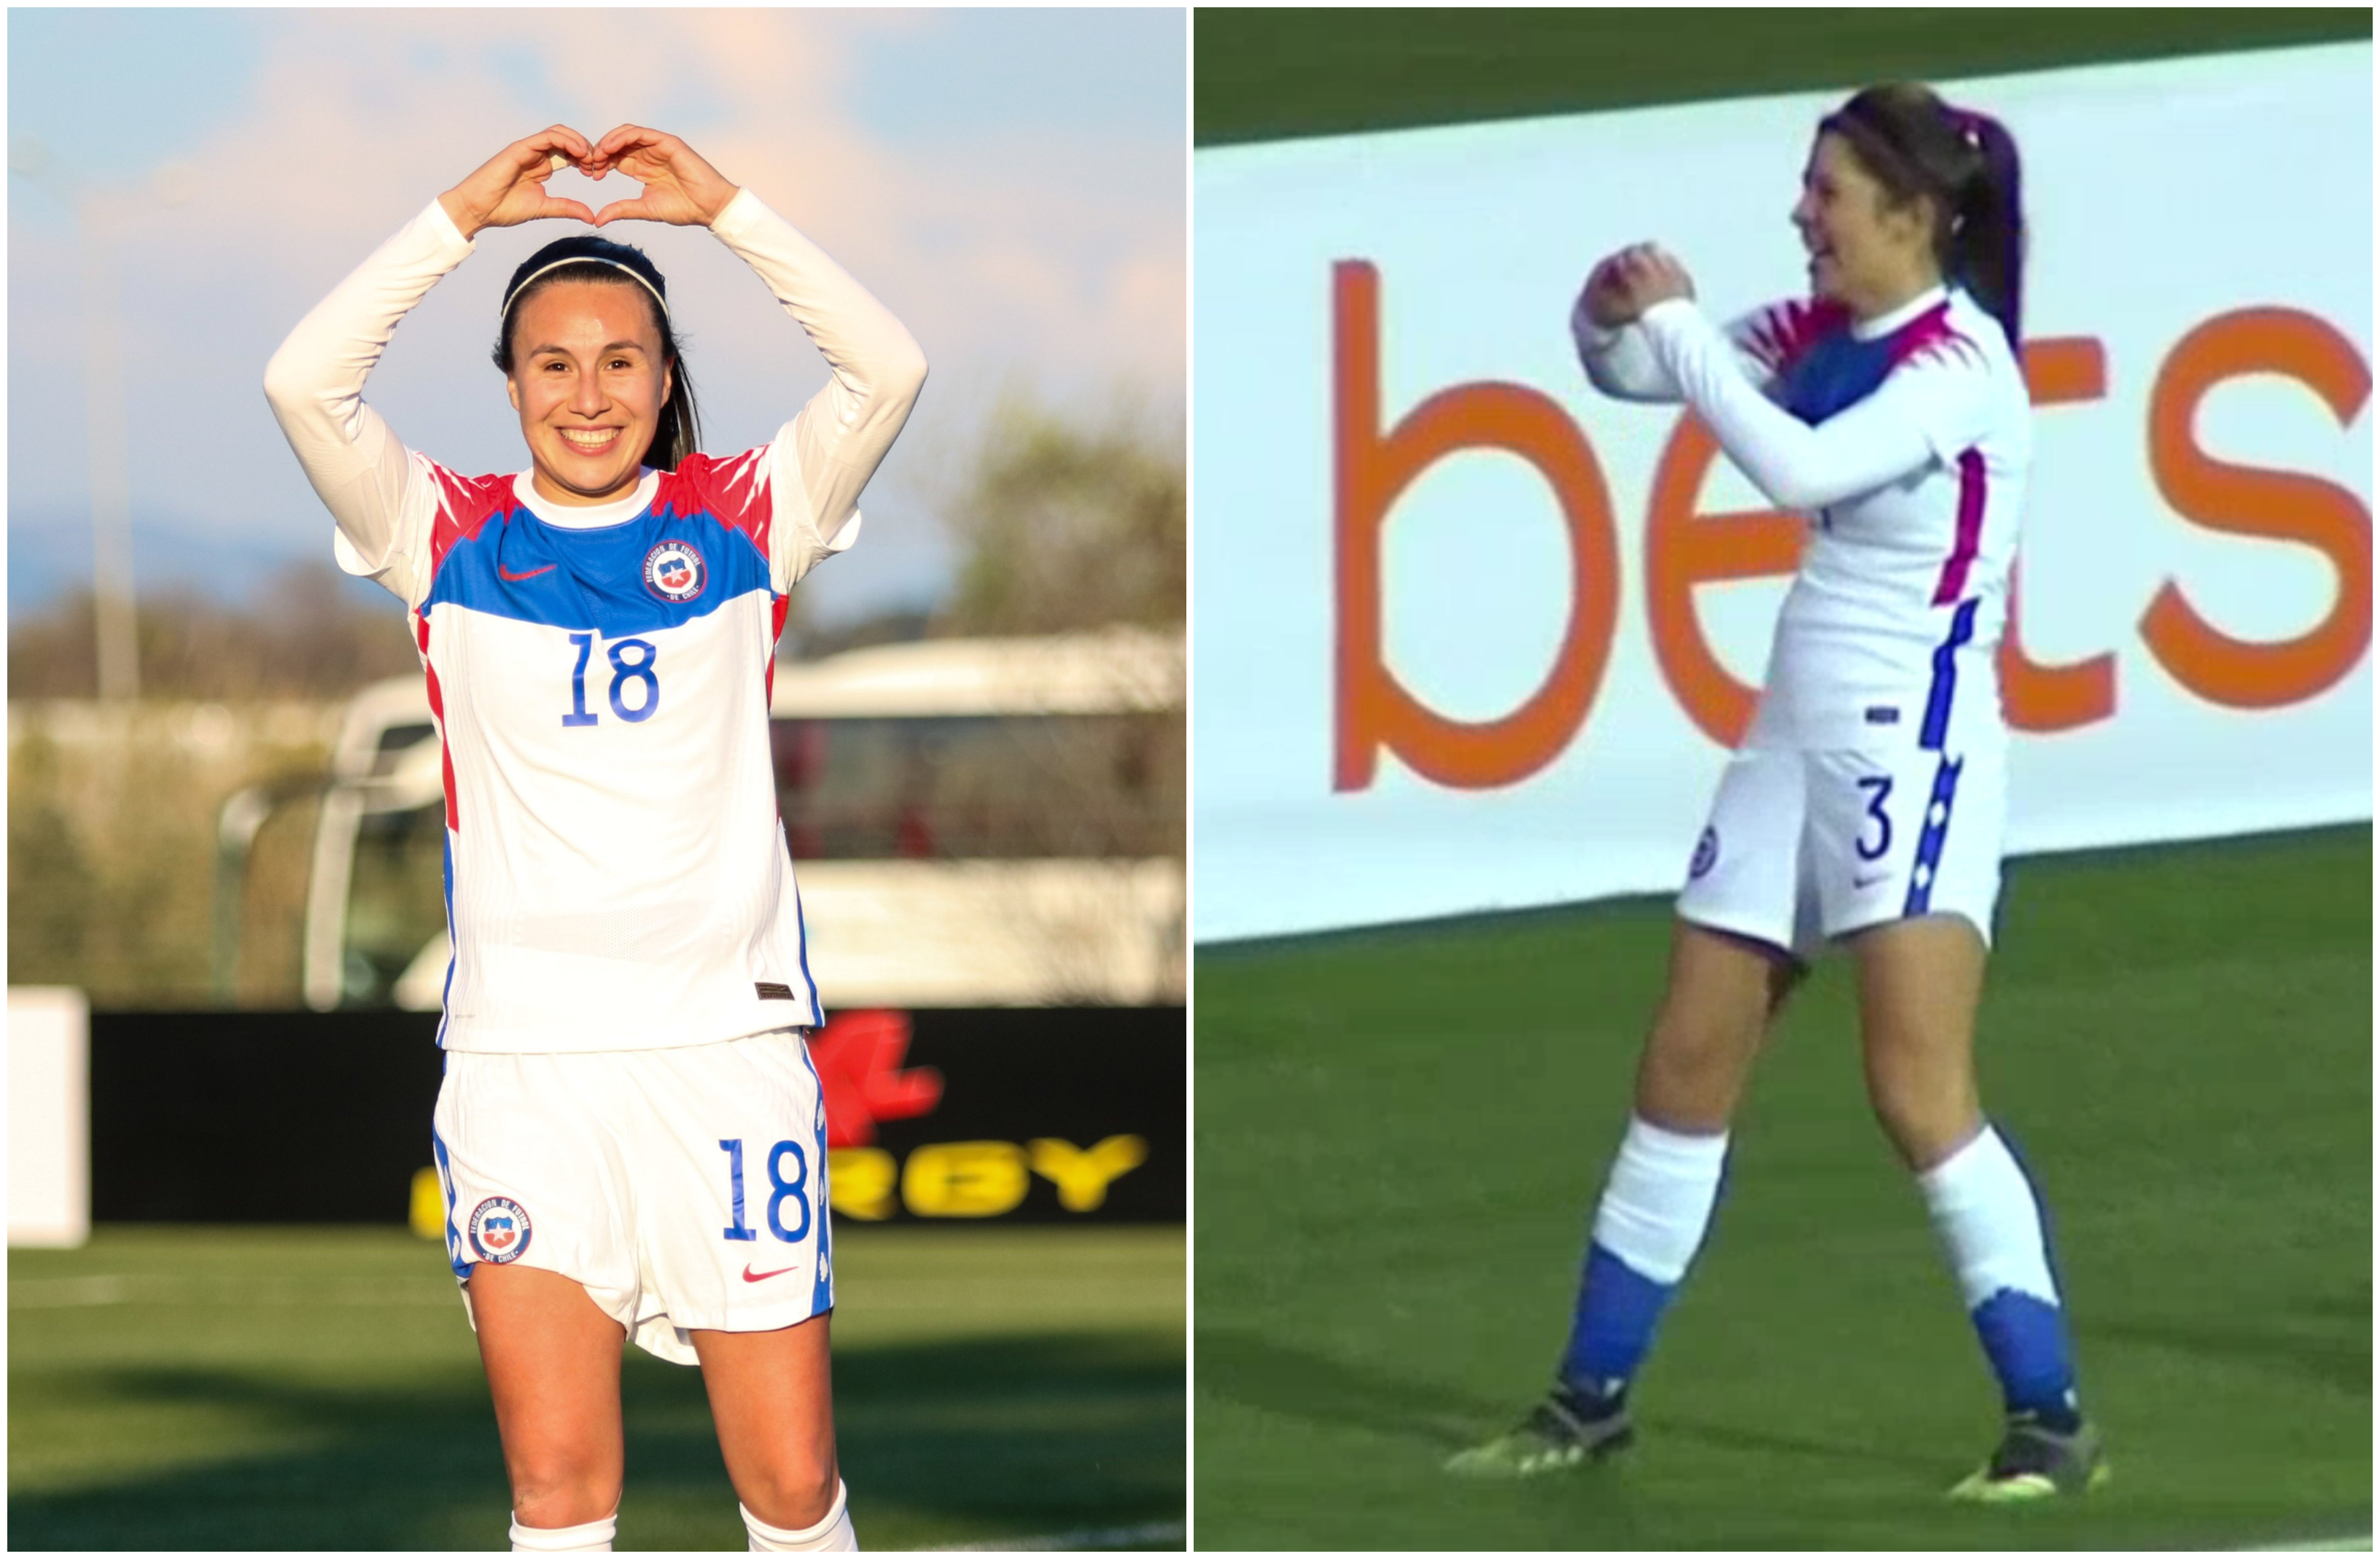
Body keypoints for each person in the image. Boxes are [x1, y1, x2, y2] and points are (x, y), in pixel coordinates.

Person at [265, 124, 927, 1552]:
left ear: (667, 374)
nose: (588, 392)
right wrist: (458, 219)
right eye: (552, 362)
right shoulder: (441, 533)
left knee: (791, 1487)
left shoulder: (748, 514)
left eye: (622, 358)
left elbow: (889, 370)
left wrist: (727, 212)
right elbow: (301, 382)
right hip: (523, 1075)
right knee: (559, 1492)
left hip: (724, 1064)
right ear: (509, 385)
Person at [1445, 83, 2104, 1501]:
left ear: (1914, 217)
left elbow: (1791, 457)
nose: (1802, 216)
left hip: (1908, 747)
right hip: (1793, 740)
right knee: (1685, 1062)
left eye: (1828, 193)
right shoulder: (1822, 332)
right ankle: (1589, 1399)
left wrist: (1677, 329)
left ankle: (2049, 1418)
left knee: (1916, 1086)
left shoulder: (1957, 364)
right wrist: (1606, 316)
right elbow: (1637, 378)